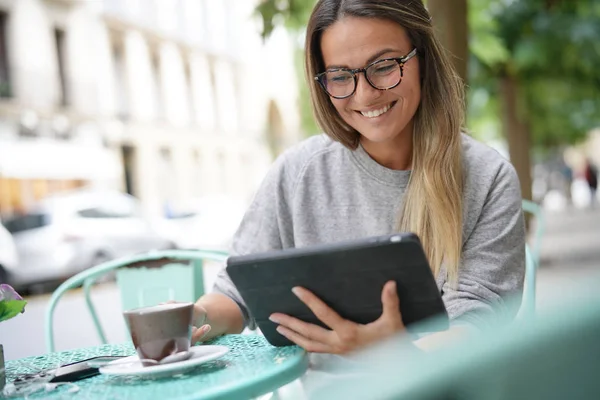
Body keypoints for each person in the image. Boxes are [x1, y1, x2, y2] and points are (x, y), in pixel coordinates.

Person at [191, 0, 525, 354]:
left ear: (422, 59)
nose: (365, 94)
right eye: (340, 76)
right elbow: (236, 295)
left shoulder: (488, 178)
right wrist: (194, 316)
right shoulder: (297, 173)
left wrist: (392, 354)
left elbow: (476, 322)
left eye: (383, 66)